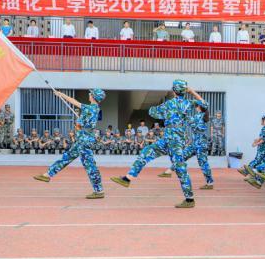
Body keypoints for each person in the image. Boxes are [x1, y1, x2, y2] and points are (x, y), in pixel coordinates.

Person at [111, 80, 195, 208]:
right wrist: (192, 91)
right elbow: (204, 104)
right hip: (171, 140)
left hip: (173, 141)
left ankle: (189, 200)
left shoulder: (169, 103)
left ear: (174, 90)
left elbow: (152, 112)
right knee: (150, 153)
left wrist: (155, 109)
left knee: (177, 167)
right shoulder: (188, 104)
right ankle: (128, 178)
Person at [33, 89, 107, 199]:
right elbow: (84, 124)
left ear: (94, 97)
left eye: (91, 93)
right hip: (82, 140)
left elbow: (73, 101)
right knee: (67, 157)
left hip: (84, 141)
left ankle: (99, 190)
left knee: (90, 166)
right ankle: (48, 175)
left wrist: (61, 94)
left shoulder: (90, 108)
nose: (89, 94)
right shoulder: (95, 109)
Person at [161, 96, 214, 189]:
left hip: (201, 144)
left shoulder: (200, 116)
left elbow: (188, 119)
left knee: (203, 163)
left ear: (199, 107)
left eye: (197, 106)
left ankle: (210, 183)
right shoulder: (199, 116)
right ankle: (169, 171)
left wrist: (191, 92)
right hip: (195, 143)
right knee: (182, 156)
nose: (196, 107)